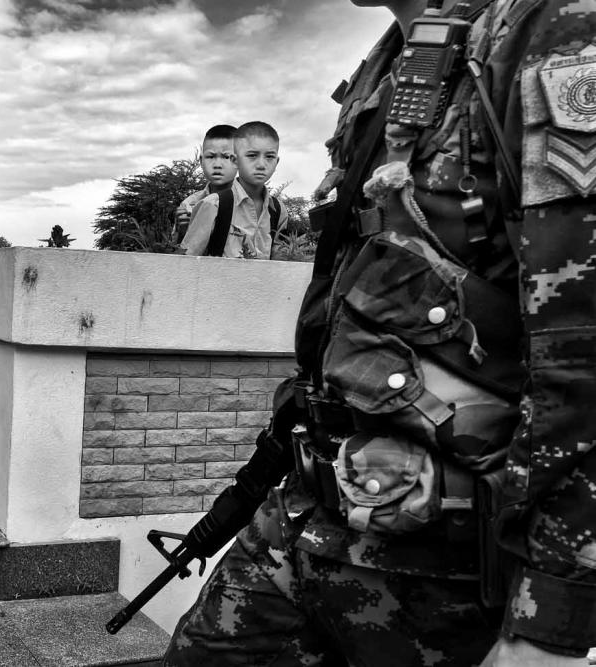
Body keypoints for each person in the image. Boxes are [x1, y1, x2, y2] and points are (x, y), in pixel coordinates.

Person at [164, 0, 596, 665]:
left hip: (443, 567)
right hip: (311, 513)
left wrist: (551, 622)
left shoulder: (554, 31)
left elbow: (581, 346)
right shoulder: (391, 64)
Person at [180, 121, 289, 259]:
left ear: (276, 162)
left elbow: (282, 265)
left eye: (269, 157)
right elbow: (187, 263)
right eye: (252, 155)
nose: (261, 165)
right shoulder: (213, 205)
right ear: (235, 160)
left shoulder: (278, 210)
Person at [173, 125, 239, 243]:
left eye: (226, 157)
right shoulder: (189, 204)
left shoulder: (255, 204)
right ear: (201, 161)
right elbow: (178, 254)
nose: (217, 164)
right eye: (211, 156)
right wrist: (182, 230)